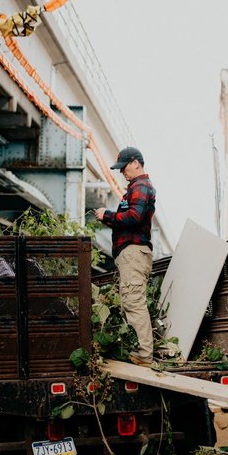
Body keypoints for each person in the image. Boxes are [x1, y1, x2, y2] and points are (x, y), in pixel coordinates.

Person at [96, 146, 157, 367]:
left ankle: (144, 355)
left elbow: (134, 216)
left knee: (133, 302)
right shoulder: (135, 188)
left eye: (124, 167)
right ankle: (140, 351)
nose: (122, 172)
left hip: (134, 252)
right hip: (130, 253)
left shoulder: (141, 186)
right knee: (129, 302)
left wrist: (108, 215)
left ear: (136, 163)